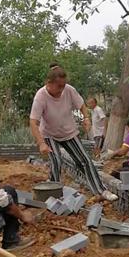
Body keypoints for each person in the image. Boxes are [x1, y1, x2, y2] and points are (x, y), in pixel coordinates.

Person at [30, 66, 117, 201]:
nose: (61, 89)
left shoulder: (69, 90)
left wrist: (86, 118)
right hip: (49, 134)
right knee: (56, 161)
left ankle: (101, 191)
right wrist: (41, 143)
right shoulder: (40, 97)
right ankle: (54, 195)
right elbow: (33, 122)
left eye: (63, 85)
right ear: (49, 83)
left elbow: (81, 105)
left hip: (68, 132)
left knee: (85, 160)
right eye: (59, 86)